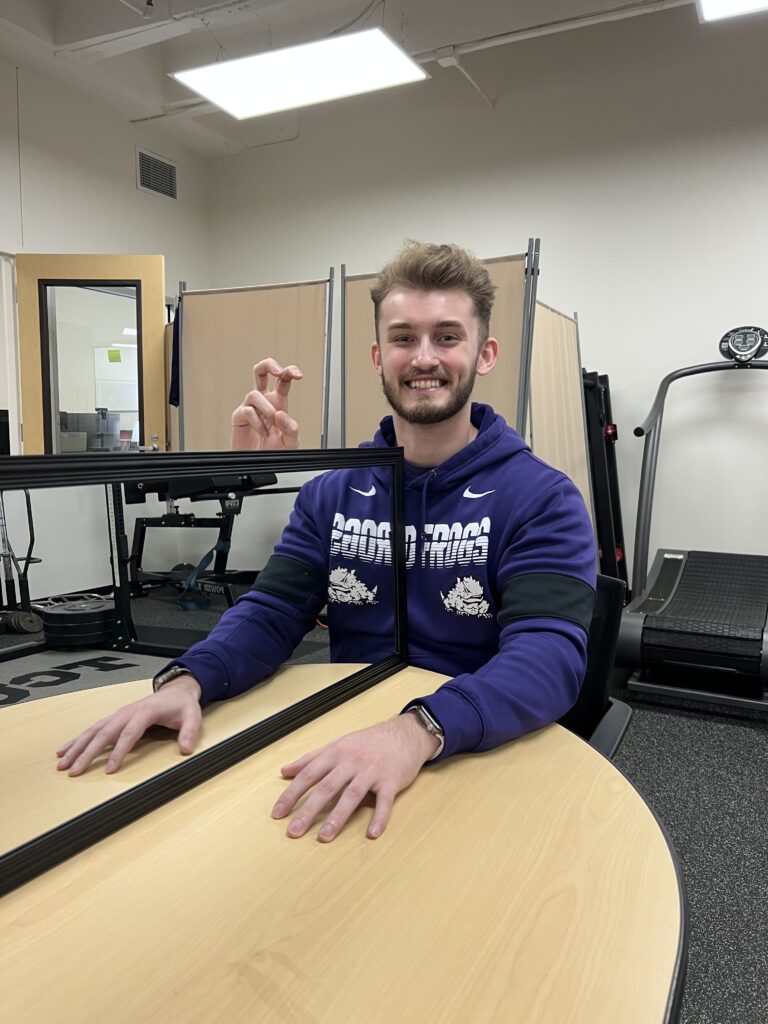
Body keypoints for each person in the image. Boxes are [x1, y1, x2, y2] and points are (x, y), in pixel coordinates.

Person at [56, 241, 597, 843]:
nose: (424, 357)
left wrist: (417, 729)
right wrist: (190, 679)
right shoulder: (330, 494)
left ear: (485, 352)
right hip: (350, 740)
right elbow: (271, 612)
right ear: (377, 355)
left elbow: (550, 657)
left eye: (447, 336)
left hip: (477, 747)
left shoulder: (544, 498)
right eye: (402, 337)